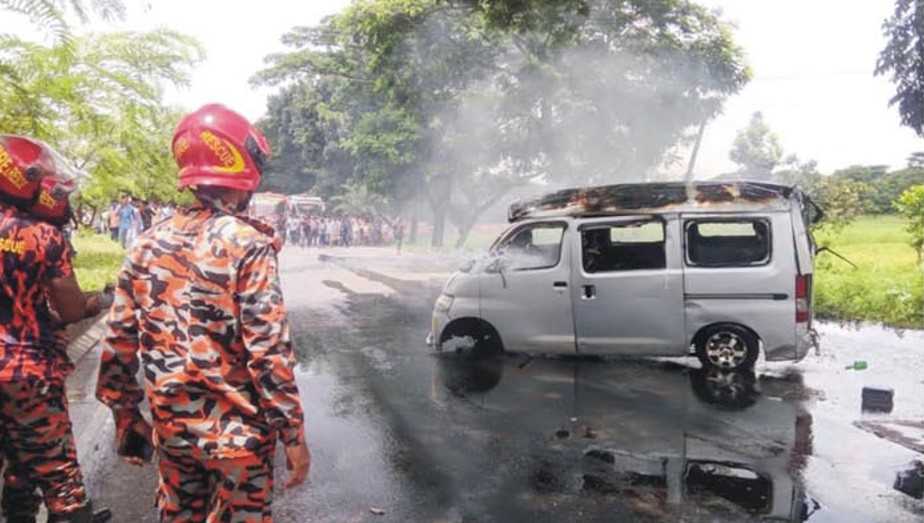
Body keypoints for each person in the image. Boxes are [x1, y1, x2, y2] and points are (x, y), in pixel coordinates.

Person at [95, 104, 310, 523]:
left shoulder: (146, 244)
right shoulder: (248, 244)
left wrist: (124, 414)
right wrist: (293, 434)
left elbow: (118, 341)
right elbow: (268, 352)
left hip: (172, 433)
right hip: (239, 440)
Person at [0, 135, 114, 523]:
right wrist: (100, 301)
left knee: (17, 460)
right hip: (26, 371)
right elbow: (68, 310)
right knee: (57, 469)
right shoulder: (43, 237)